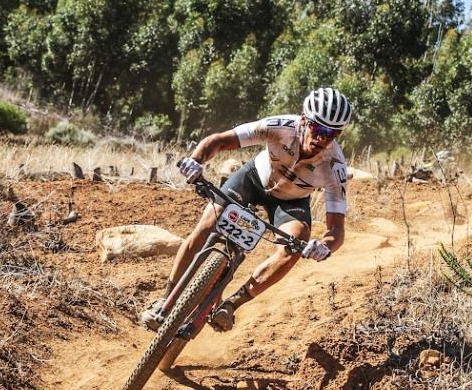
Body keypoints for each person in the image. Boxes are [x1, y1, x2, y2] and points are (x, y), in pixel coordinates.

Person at [141, 87, 353, 333]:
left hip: (291, 202)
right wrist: (196, 160)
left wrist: (324, 245)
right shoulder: (281, 126)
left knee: (294, 247)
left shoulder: (335, 165)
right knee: (210, 221)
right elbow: (219, 141)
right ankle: (166, 300)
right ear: (304, 121)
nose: (323, 138)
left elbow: (337, 228)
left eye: (332, 133)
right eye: (319, 129)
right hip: (253, 179)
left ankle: (231, 305)